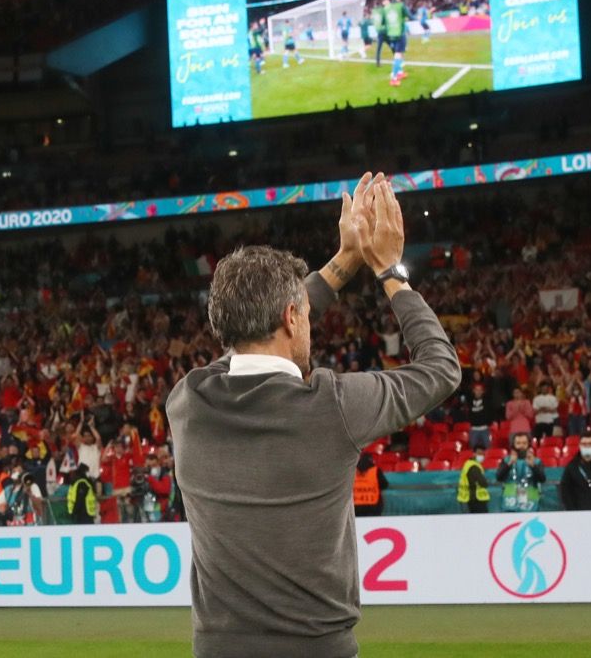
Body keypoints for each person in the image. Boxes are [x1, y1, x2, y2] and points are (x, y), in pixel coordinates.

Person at [166, 173, 460, 658]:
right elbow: (441, 368)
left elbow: (250, 338)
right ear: (291, 317)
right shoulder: (333, 405)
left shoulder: (188, 402)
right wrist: (389, 270)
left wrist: (344, 260)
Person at [495, 433, 546, 512]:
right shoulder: (506, 460)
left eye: (524, 443)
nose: (521, 446)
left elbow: (542, 479)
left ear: (529, 444)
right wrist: (509, 464)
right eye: (518, 443)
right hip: (510, 505)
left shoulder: (536, 461)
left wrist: (533, 466)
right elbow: (499, 478)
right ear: (513, 445)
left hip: (530, 506)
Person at [558, 434, 591, 511]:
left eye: (590, 444)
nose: (587, 447)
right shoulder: (571, 467)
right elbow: (565, 491)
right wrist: (572, 511)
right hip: (578, 514)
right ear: (579, 445)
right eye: (584, 444)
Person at [382, 0, 412, 86]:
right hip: (399, 33)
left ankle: (399, 73)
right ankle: (394, 78)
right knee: (398, 54)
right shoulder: (399, 6)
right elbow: (409, 15)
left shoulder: (387, 10)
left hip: (392, 34)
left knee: (400, 53)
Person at [352, 453, 389, 518]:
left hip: (355, 507)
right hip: (373, 507)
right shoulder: (376, 470)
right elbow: (385, 485)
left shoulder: (352, 470)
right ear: (371, 460)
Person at [456, 447, 490, 513]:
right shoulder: (474, 467)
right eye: (479, 453)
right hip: (476, 499)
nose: (481, 456)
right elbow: (483, 483)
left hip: (469, 498)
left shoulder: (468, 464)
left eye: (483, 454)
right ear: (474, 454)